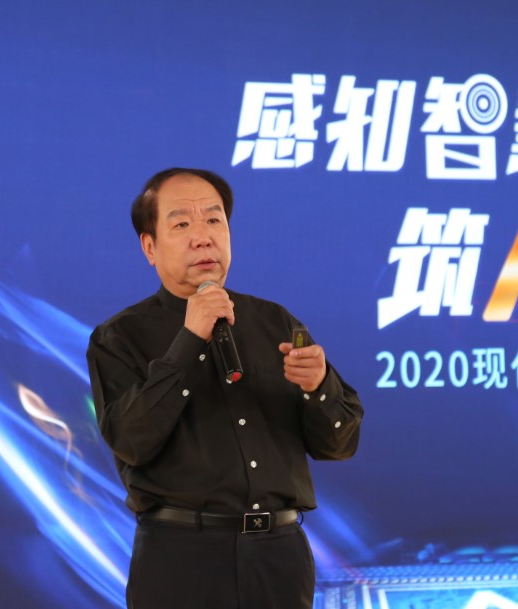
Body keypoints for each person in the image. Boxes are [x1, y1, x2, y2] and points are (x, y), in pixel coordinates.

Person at [86, 168, 363, 609]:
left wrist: (318, 386)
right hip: (181, 558)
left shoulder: (275, 321)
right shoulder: (119, 337)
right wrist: (190, 340)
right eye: (182, 223)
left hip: (279, 556)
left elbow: (339, 444)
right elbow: (131, 440)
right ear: (150, 247)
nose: (203, 237)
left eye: (214, 220)